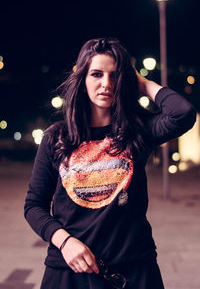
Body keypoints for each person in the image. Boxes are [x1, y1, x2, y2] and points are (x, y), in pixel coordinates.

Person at [24, 37, 196, 289]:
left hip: (133, 271)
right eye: (96, 74)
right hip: (69, 271)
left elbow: (183, 114)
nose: (106, 84)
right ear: (82, 79)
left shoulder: (138, 130)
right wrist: (64, 241)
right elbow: (34, 206)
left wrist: (143, 83)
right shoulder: (56, 138)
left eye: (115, 76)